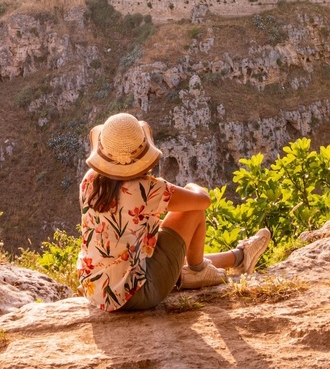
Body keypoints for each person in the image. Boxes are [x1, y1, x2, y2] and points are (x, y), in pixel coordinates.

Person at [76, 112, 272, 312]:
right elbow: (203, 201)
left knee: (167, 249)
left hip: (95, 288)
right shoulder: (147, 189)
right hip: (134, 294)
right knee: (193, 211)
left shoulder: (90, 180)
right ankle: (198, 270)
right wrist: (192, 186)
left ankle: (239, 257)